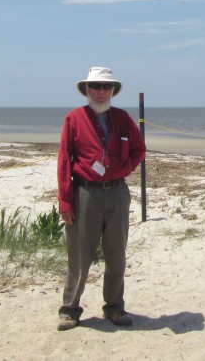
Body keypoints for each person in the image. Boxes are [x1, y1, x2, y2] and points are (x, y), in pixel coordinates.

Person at [56, 67, 146, 331]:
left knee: (116, 253)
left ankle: (115, 308)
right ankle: (70, 310)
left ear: (112, 91)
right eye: (95, 86)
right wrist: (66, 202)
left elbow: (139, 149)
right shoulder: (74, 118)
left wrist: (123, 169)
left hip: (117, 193)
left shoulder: (123, 118)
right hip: (86, 193)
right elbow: (64, 160)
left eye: (106, 87)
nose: (101, 92)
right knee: (79, 254)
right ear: (87, 90)